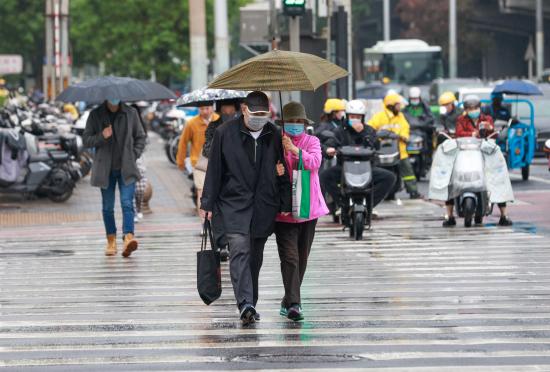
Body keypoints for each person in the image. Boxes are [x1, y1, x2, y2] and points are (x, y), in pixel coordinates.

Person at [200, 91, 292, 324]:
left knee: (255, 257)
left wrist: (285, 202)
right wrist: (207, 203)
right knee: (239, 249)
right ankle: (245, 304)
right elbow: (215, 170)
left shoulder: (274, 134)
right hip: (233, 203)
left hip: (264, 204)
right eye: (255, 114)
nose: (260, 118)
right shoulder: (224, 133)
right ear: (244, 110)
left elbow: (281, 170)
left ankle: (251, 301)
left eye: (264, 114)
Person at [274, 102, 329, 322]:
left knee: (302, 257)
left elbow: (315, 162)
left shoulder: (312, 141)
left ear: (305, 123)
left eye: (299, 122)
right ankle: (295, 304)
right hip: (283, 211)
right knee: (290, 257)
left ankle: (288, 299)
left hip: (308, 208)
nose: (295, 125)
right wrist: (274, 169)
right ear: (284, 123)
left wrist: (295, 150)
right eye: (291, 122)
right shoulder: (275, 142)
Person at [82, 98, 146, 257]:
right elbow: (86, 140)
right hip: (105, 169)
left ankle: (128, 238)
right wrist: (102, 136)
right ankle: (111, 241)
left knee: (126, 203)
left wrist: (134, 155)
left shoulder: (130, 113)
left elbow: (140, 137)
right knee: (107, 208)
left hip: (126, 167)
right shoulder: (96, 115)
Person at [443, 95, 513, 227]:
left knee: (497, 178)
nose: (473, 110)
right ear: (465, 109)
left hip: (484, 155)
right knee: (450, 178)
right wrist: (473, 134)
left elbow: (495, 135)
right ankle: (450, 216)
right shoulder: (461, 120)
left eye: (475, 108)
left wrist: (490, 129)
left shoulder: (487, 119)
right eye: (469, 108)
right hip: (465, 154)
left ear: (479, 108)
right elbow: (458, 134)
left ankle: (504, 215)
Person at [320, 99, 397, 220]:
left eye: (357, 116)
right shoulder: (340, 130)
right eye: (352, 116)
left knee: (389, 177)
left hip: (367, 168)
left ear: (363, 117)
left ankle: (369, 204)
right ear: (347, 116)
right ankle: (342, 203)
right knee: (325, 176)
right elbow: (329, 143)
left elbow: (375, 145)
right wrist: (328, 150)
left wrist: (363, 134)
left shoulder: (369, 130)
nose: (355, 119)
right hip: (344, 168)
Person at [201, 98, 242, 261]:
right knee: (217, 211)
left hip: (238, 175)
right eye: (224, 107)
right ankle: (222, 244)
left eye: (231, 107)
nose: (228, 111)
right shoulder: (213, 126)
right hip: (218, 174)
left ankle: (235, 242)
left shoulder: (242, 125)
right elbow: (206, 150)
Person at [368, 93, 422, 199]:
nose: (400, 107)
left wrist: (402, 136)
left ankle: (413, 191)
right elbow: (370, 128)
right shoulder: (379, 116)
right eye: (398, 105)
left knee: (408, 171)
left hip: (400, 150)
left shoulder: (400, 117)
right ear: (391, 105)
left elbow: (405, 128)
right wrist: (377, 135)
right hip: (382, 151)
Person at [176, 102, 220, 214]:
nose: (205, 111)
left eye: (207, 108)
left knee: (216, 192)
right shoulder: (191, 123)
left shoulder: (219, 120)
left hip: (217, 163)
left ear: (212, 108)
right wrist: (180, 162)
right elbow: (183, 143)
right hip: (199, 164)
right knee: (201, 192)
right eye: (202, 109)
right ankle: (203, 224)